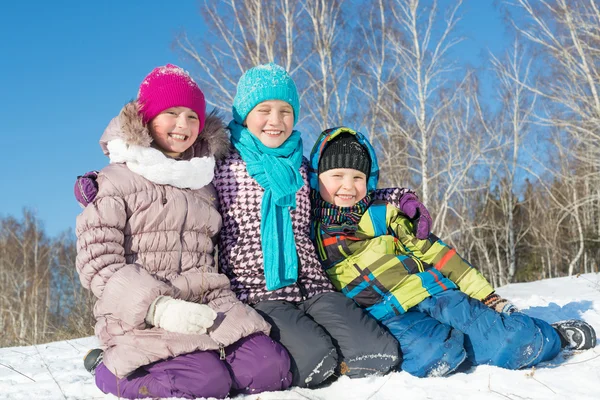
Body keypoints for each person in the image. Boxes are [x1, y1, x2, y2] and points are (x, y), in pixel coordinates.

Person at [308, 126, 597, 378]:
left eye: (357, 177)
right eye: (337, 175)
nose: (348, 186)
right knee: (433, 354)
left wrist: (486, 295)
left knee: (514, 342)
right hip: (386, 315)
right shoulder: (309, 229)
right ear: (316, 177)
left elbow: (441, 255)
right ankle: (466, 345)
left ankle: (551, 337)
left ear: (369, 180)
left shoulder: (384, 214)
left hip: (437, 294)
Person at [75, 64, 291, 399]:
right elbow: (98, 265)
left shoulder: (204, 180)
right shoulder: (114, 181)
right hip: (144, 313)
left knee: (270, 370)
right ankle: (109, 370)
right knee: (205, 383)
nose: (183, 125)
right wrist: (157, 307)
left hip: (208, 302)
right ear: (145, 118)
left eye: (193, 116)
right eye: (171, 113)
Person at [211, 62, 433, 388]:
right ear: (245, 113)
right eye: (265, 110)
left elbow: (344, 195)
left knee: (379, 353)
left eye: (285, 111)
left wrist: (399, 199)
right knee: (316, 360)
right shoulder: (222, 165)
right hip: (258, 293)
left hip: (314, 287)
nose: (276, 121)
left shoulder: (302, 167)